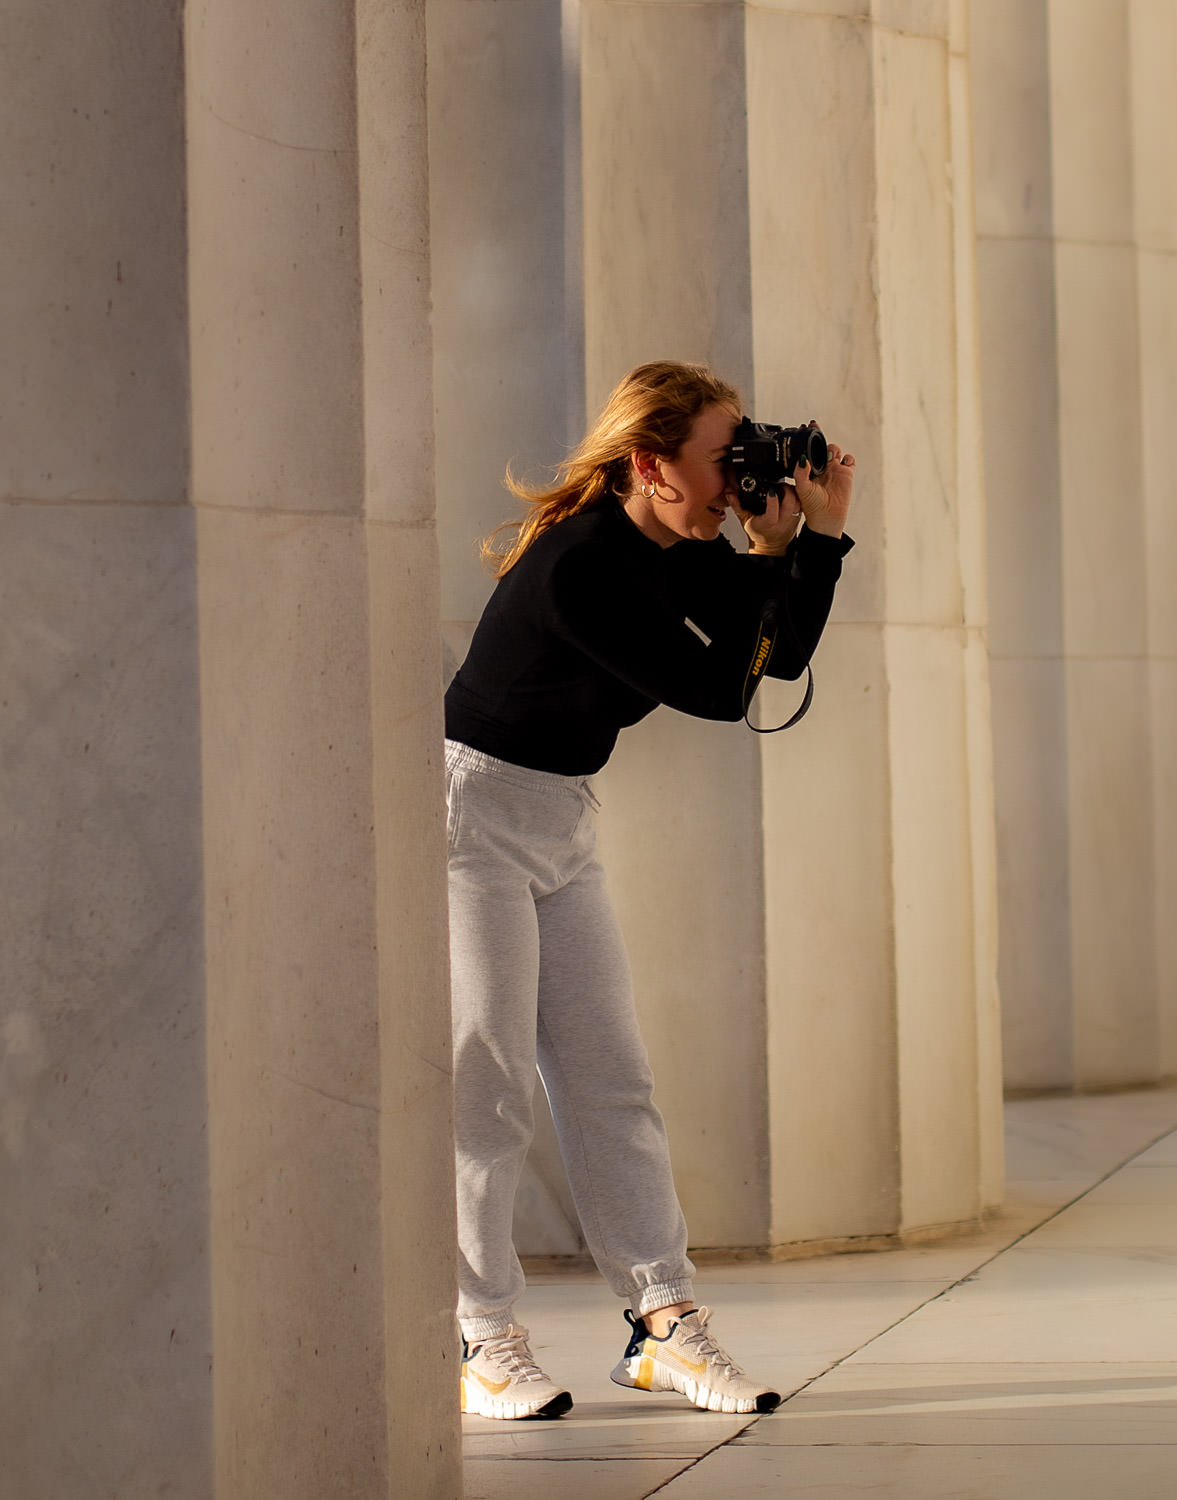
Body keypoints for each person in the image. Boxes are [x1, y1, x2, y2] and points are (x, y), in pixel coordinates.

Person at [445, 360, 855, 1420]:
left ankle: (662, 1324)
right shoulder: (579, 564)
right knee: (484, 1080)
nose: (737, 478)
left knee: (609, 1077)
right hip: (468, 817)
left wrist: (816, 539)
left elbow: (780, 652)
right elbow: (720, 693)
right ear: (650, 463)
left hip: (561, 817)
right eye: (724, 458)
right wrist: (773, 551)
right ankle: (481, 1337)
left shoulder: (682, 549)